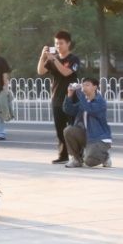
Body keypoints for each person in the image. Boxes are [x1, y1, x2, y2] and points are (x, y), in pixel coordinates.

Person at [38, 30, 81, 163]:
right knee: (59, 128)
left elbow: (66, 72)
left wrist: (54, 59)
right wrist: (42, 57)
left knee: (73, 128)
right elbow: (40, 71)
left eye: (61, 43)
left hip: (71, 98)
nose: (58, 46)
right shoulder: (53, 58)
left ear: (68, 44)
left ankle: (77, 155)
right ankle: (63, 155)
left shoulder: (73, 59)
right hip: (56, 97)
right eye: (56, 43)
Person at [62, 77, 113, 168]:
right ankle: (76, 159)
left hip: (99, 138)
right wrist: (69, 95)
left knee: (89, 162)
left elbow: (89, 109)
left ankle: (105, 156)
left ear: (95, 87)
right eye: (83, 85)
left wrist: (80, 93)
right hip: (87, 136)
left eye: (87, 85)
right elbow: (69, 110)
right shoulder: (84, 101)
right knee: (69, 130)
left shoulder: (100, 101)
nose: (84, 87)